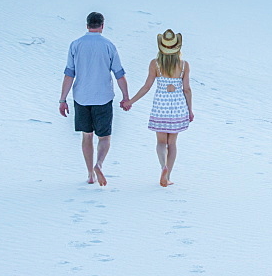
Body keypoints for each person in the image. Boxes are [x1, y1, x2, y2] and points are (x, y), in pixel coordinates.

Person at [59, 12, 130, 186]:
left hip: (81, 97)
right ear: (102, 25)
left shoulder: (75, 45)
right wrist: (125, 97)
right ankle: (99, 164)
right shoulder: (108, 45)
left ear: (87, 25)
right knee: (104, 138)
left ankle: (90, 174)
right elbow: (119, 74)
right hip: (103, 97)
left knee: (87, 136)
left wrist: (62, 99)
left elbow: (69, 74)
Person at [125, 29, 194, 187]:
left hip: (160, 105)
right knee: (173, 143)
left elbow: (147, 86)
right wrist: (190, 110)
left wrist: (131, 101)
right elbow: (187, 89)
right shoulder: (184, 65)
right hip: (177, 106)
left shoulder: (155, 64)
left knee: (161, 142)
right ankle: (168, 175)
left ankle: (163, 166)